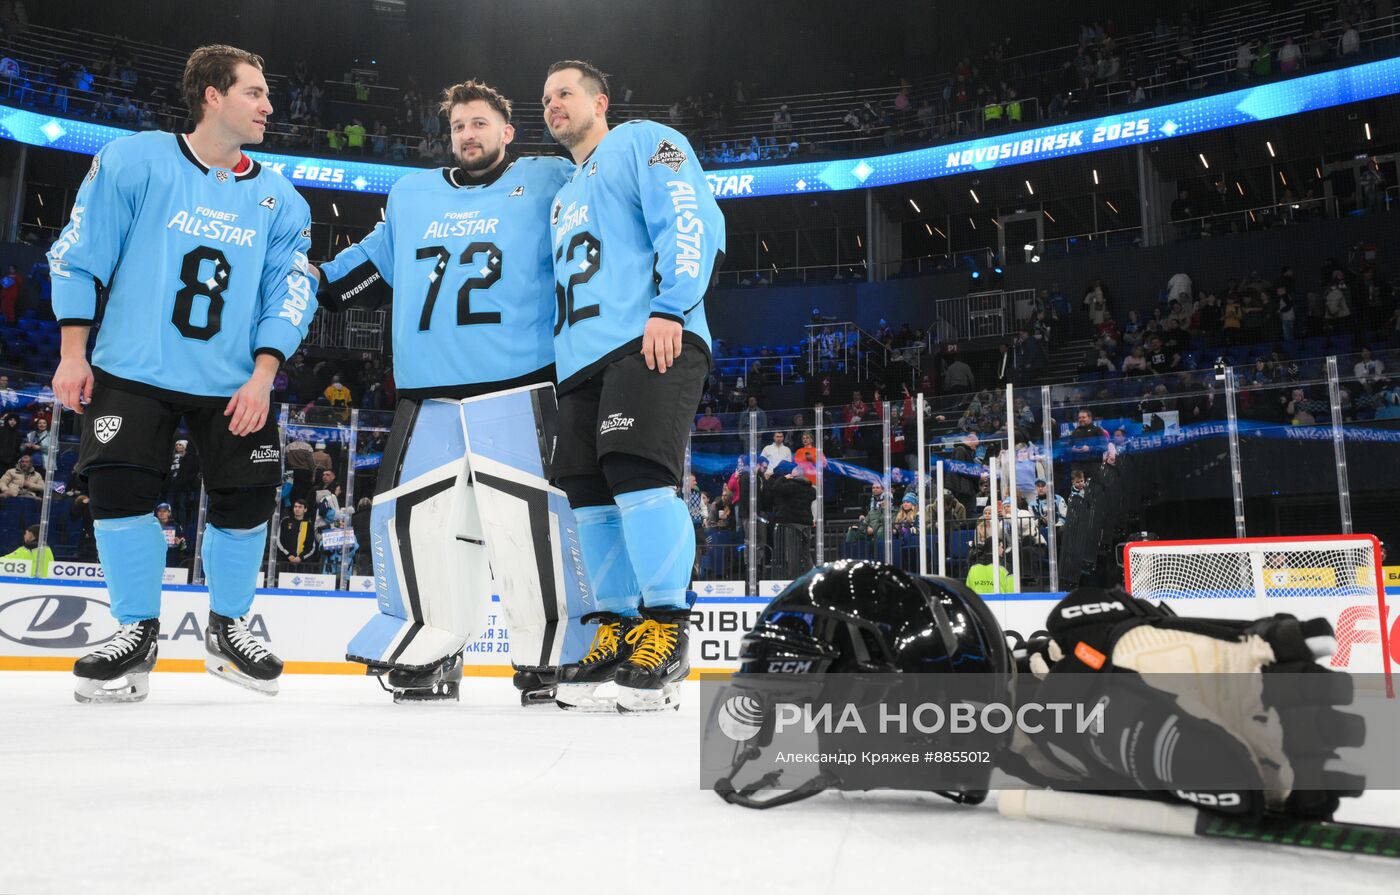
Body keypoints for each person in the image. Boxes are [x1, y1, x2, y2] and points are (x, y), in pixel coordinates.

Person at [47, 44, 316, 704]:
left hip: (233, 380)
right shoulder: (133, 160)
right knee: (116, 486)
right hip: (134, 365)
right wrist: (72, 351)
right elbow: (80, 255)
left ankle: (228, 630)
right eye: (253, 92)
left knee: (249, 494)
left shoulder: (282, 200)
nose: (268, 105)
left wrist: (264, 373)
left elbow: (290, 293)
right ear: (212, 97)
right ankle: (134, 631)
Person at [315, 79, 588, 706]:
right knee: (418, 524)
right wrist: (303, 280)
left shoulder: (548, 179)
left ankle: (550, 652)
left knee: (532, 523)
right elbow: (363, 270)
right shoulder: (412, 195)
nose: (468, 135)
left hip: (520, 384)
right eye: (459, 125)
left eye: (480, 124)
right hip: (426, 395)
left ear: (508, 131)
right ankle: (431, 646)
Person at [541, 59, 724, 713]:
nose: (553, 104)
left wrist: (671, 304)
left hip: (647, 335)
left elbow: (688, 213)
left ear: (602, 100)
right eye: (546, 98)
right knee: (588, 494)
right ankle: (616, 630)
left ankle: (668, 629)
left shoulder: (642, 140)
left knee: (637, 473)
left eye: (565, 92)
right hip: (581, 363)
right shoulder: (564, 194)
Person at [276, 496, 318, 571]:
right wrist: (288, 555)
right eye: (295, 507)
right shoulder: (285, 521)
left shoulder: (309, 525)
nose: (297, 509)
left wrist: (301, 557)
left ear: (305, 510)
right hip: (285, 560)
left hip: (302, 562)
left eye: (300, 507)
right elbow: (278, 540)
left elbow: (311, 546)